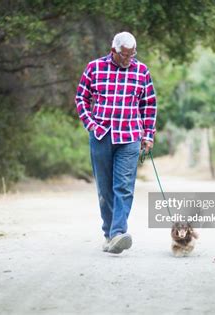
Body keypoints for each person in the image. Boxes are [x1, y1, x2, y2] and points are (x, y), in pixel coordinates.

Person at [75, 31, 157, 254]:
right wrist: (91, 124)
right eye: (125, 55)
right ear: (114, 51)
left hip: (130, 136)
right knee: (105, 187)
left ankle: (118, 232)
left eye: (132, 54)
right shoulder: (94, 68)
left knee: (124, 186)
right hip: (102, 135)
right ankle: (108, 234)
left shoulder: (141, 71)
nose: (129, 59)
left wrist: (148, 135)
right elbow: (81, 97)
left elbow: (148, 105)